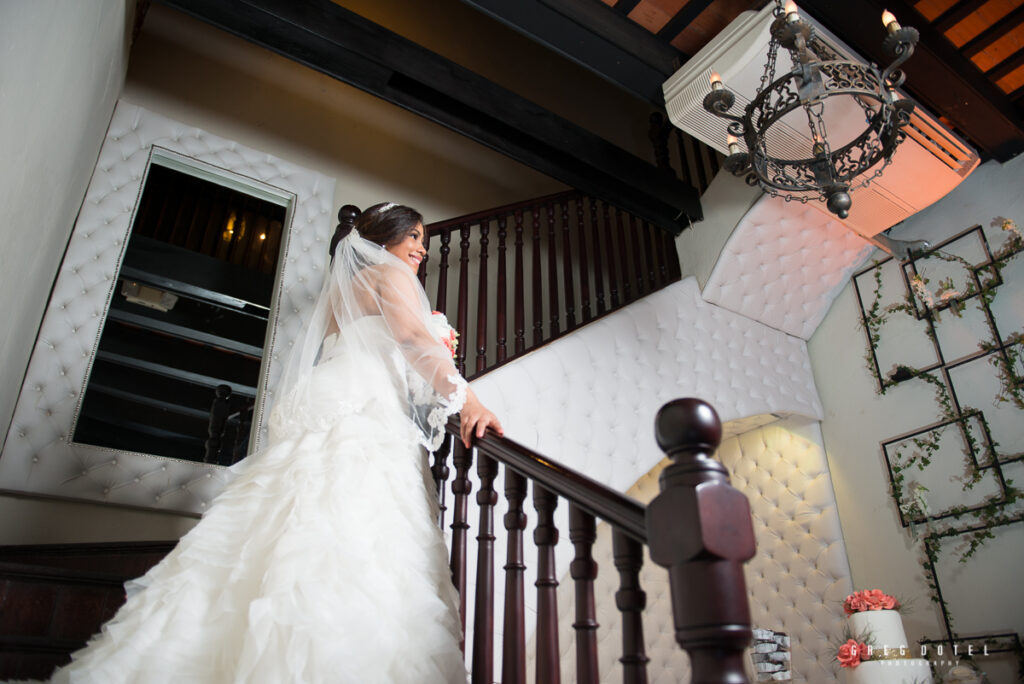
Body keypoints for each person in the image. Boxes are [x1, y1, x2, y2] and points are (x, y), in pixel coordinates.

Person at [46, 202, 503, 683]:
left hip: (337, 396)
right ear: (384, 235)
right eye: (412, 236)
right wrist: (467, 400)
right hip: (363, 410)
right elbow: (411, 339)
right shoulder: (393, 279)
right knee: (356, 532)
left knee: (280, 526)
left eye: (424, 241)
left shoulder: (344, 289)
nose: (421, 249)